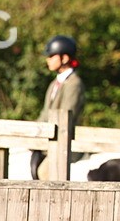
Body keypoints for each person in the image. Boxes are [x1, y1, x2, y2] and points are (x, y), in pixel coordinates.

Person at [32, 34, 86, 180]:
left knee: (44, 172)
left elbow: (67, 116)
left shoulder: (74, 84)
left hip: (64, 144)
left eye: (51, 56)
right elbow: (44, 114)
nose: (47, 60)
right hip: (49, 140)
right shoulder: (53, 84)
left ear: (65, 58)